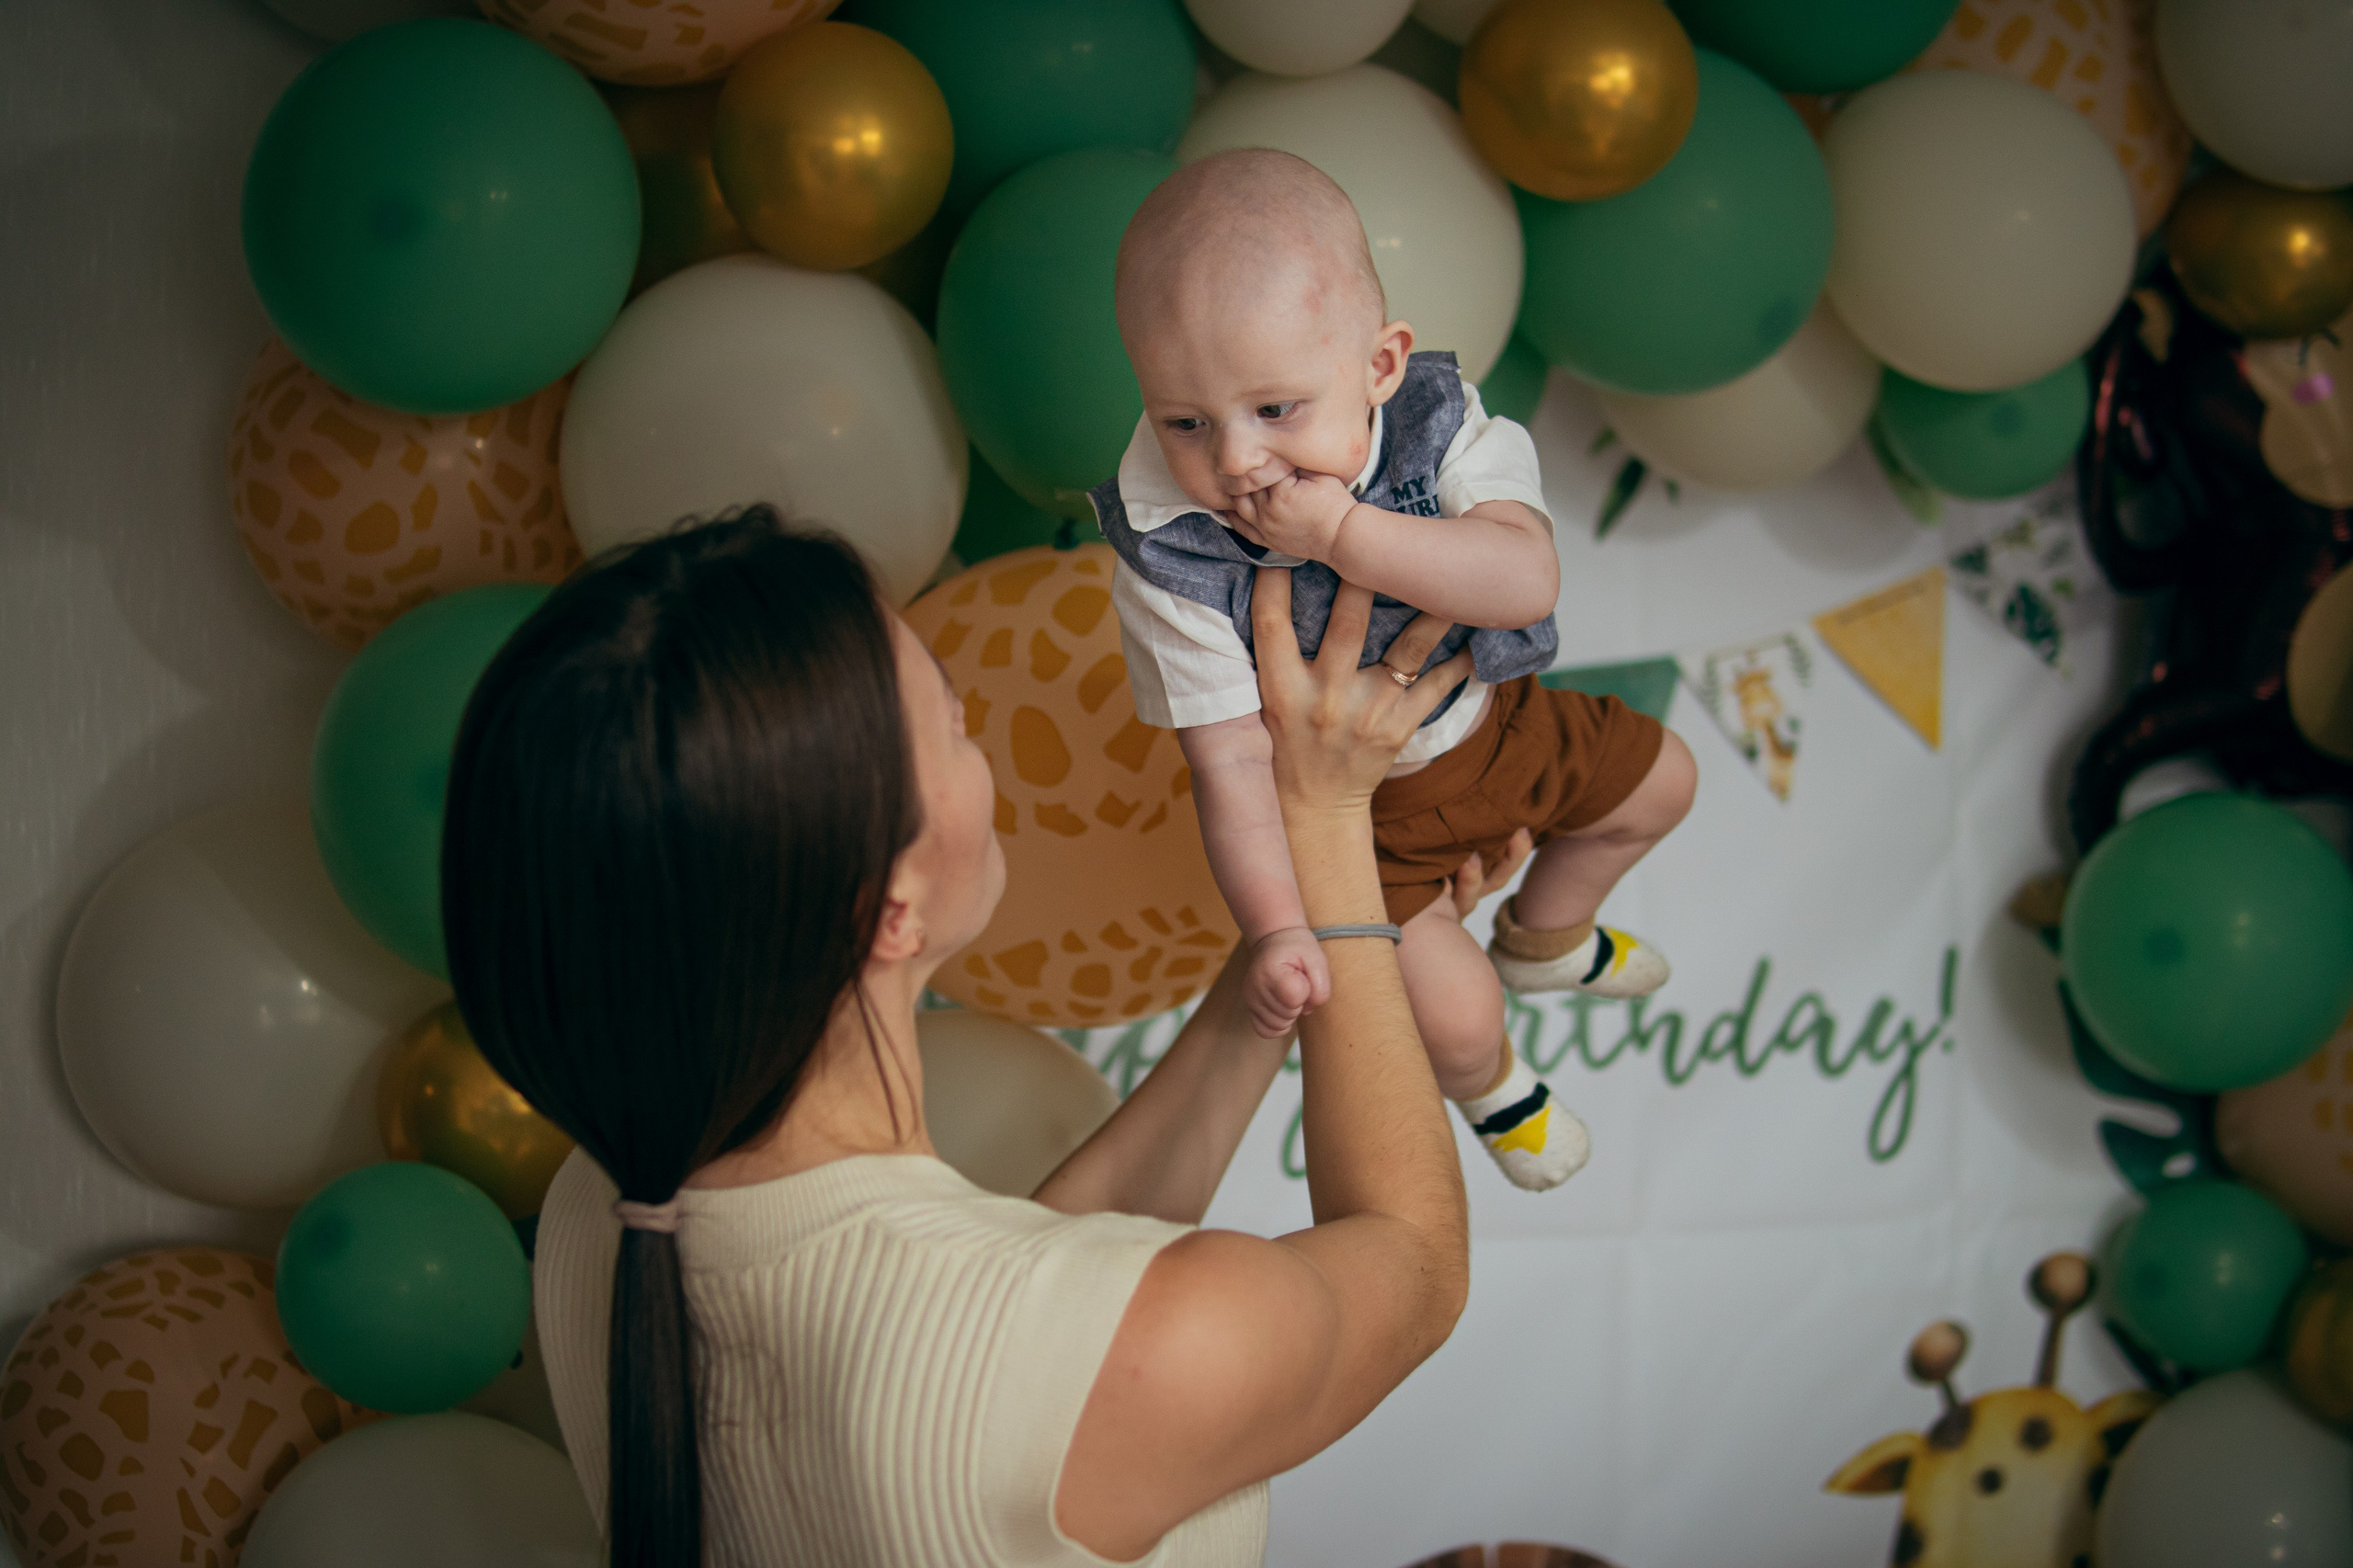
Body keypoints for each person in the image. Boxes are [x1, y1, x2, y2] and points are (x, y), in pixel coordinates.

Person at [440, 509, 1513, 1568]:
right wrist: (1327, 821)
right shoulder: (1114, 1350)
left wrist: (1281, 951)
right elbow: (1415, 1264)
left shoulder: (611, 1200)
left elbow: (1018, 1317)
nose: (977, 738)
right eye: (951, 720)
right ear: (886, 907)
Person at [1093, 148, 1699, 1192]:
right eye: (1185, 421)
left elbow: (1522, 580)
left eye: (1275, 410)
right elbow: (1229, 765)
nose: (1235, 461)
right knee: (1457, 1016)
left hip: (1504, 727)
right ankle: (1496, 1089)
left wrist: (1341, 533)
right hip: (1363, 834)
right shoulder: (1166, 545)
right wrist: (1278, 927)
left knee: (1665, 781)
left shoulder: (1438, 425)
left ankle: (1548, 932)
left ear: (1379, 365)